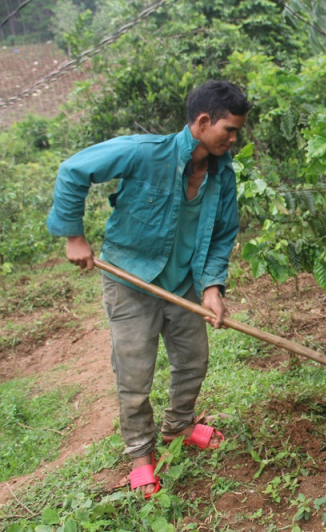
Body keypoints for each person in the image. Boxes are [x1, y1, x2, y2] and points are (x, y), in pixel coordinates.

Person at [46, 80, 252, 498]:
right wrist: (73, 235)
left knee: (193, 361)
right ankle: (141, 454)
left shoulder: (222, 174)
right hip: (130, 280)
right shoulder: (144, 151)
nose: (233, 140)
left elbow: (223, 234)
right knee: (135, 373)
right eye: (228, 130)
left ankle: (179, 425)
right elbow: (73, 171)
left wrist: (213, 286)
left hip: (184, 284)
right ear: (202, 121)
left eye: (236, 132)